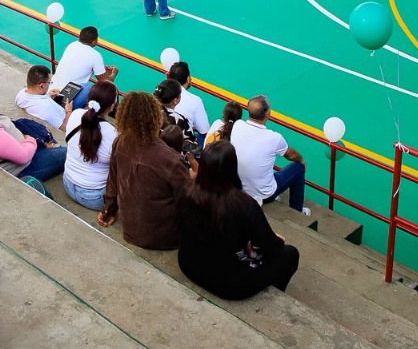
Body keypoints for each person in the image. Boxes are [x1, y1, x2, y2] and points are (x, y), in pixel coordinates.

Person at [176, 140, 300, 300]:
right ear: (232, 169)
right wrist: (278, 240)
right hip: (229, 284)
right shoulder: (243, 204)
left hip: (188, 263)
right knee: (289, 254)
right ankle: (271, 298)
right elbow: (272, 248)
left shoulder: (185, 190)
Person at [97, 91, 191, 249]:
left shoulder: (120, 142)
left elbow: (112, 183)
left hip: (129, 229)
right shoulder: (171, 159)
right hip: (165, 238)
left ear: (123, 116)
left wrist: (108, 211)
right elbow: (188, 201)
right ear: (156, 117)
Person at [230, 95, 309, 215]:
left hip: (241, 189)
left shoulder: (237, 125)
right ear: (268, 114)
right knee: (298, 168)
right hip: (265, 195)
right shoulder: (274, 137)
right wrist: (302, 160)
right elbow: (291, 155)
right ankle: (297, 210)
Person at [63, 81, 119, 210]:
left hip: (68, 184)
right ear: (111, 106)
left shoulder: (75, 114)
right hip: (95, 199)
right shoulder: (113, 135)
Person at [51, 26, 118, 109]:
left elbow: (78, 64)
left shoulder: (72, 45)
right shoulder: (95, 56)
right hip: (65, 102)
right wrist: (114, 74)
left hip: (51, 93)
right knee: (88, 87)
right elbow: (106, 82)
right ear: (94, 41)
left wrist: (101, 68)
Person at [13, 64, 73, 132]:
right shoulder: (46, 108)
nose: (49, 84)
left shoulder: (20, 94)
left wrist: (48, 96)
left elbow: (36, 101)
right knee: (84, 88)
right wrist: (69, 110)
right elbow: (65, 128)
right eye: (49, 82)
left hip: (52, 109)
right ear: (41, 86)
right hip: (67, 119)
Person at [167, 61, 210, 140]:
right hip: (181, 142)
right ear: (188, 79)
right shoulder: (195, 101)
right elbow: (204, 130)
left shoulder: (161, 94)